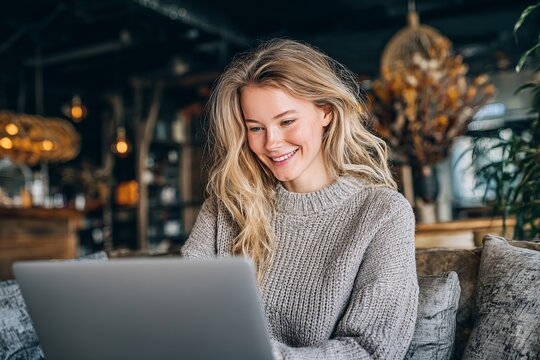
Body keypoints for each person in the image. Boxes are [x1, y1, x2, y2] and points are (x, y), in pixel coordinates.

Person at [181, 38, 418, 359]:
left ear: (326, 112)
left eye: (286, 121)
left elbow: (371, 351)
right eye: (255, 128)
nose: (272, 143)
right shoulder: (226, 207)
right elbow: (184, 314)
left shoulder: (383, 213)